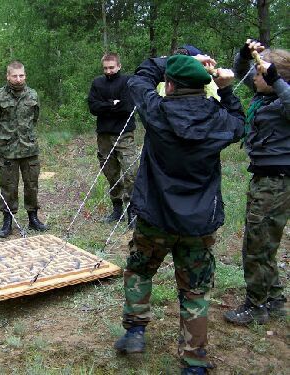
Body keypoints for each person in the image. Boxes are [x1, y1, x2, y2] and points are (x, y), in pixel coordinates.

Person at [113, 54, 245, 374]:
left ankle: (134, 331)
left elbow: (139, 79)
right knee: (195, 288)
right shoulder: (218, 118)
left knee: (140, 270)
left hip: (155, 217)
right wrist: (226, 90)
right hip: (198, 224)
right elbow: (240, 124)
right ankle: (194, 361)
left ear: (169, 85)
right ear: (205, 87)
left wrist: (175, 59)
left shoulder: (157, 111)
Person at [224, 40, 289, 325]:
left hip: (276, 182)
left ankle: (256, 306)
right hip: (264, 178)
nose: (254, 77)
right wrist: (243, 53)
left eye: (260, 74)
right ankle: (274, 299)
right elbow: (241, 72)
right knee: (265, 243)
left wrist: (274, 77)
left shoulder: (283, 98)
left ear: (277, 78)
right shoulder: (266, 97)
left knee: (256, 245)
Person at [0, 60, 48, 238]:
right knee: (8, 186)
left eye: (21, 75)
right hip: (8, 149)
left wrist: (25, 135)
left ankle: (33, 218)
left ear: (25, 76)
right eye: (14, 76)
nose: (18, 79)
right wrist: (3, 137)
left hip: (29, 148)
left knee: (32, 185)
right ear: (8, 76)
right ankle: (8, 221)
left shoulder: (32, 95)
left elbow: (34, 118)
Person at [88, 52, 137, 224]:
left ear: (119, 66)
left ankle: (133, 211)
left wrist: (106, 106)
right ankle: (117, 210)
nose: (108, 71)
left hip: (124, 134)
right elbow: (93, 107)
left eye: (112, 67)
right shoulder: (97, 83)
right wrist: (112, 104)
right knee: (110, 172)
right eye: (105, 68)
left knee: (130, 171)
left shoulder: (127, 82)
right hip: (104, 135)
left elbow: (127, 106)